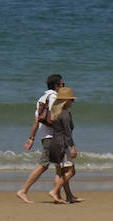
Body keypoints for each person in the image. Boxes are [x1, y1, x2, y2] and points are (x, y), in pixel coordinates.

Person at [17, 74, 63, 203]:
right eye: (62, 84)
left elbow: (37, 120)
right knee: (44, 164)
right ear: (56, 86)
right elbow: (57, 116)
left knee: (59, 166)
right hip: (51, 135)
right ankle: (23, 190)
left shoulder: (42, 98)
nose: (63, 87)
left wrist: (31, 137)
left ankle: (57, 195)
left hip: (44, 135)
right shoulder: (54, 97)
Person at [45, 87, 78, 205]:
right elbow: (67, 133)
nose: (72, 103)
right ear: (66, 101)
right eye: (71, 100)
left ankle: (60, 197)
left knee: (59, 172)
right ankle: (54, 191)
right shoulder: (65, 114)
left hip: (54, 143)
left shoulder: (55, 113)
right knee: (71, 171)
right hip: (62, 145)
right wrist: (73, 147)